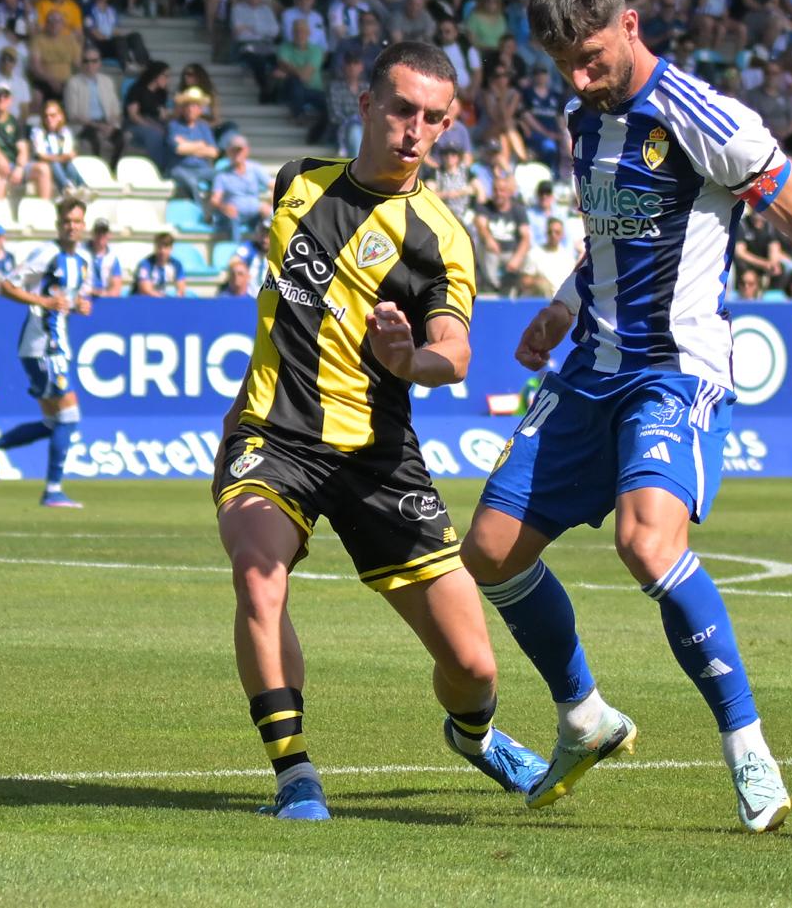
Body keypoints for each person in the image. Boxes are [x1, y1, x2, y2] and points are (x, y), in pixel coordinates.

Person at [457, 0, 792, 833]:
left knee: (644, 539)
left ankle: (746, 746)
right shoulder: (577, 115)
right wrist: (560, 307)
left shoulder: (705, 117)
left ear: (629, 25)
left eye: (591, 55)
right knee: (491, 550)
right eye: (563, 61)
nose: (579, 75)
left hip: (678, 369)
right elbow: (610, 239)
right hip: (588, 369)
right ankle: (585, 717)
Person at [211, 41, 549, 821]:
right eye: (402, 109)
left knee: (473, 665)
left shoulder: (438, 237)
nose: (414, 130)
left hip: (378, 457)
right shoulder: (296, 185)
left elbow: (456, 353)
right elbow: (278, 316)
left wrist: (412, 355)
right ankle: (295, 774)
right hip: (276, 437)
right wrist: (236, 418)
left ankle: (475, 734)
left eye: (433, 118)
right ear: (363, 104)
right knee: (259, 574)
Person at [0, 198, 92, 508]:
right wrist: (43, 302)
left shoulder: (83, 260)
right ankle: (52, 491)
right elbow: (7, 286)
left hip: (57, 345)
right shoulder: (47, 254)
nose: (71, 227)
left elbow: (63, 300)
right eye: (66, 221)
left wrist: (77, 306)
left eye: (76, 222)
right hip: (42, 347)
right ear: (58, 223)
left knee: (53, 423)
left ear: (83, 225)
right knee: (70, 416)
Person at [134, 231, 187, 297]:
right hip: (143, 301)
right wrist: (165, 299)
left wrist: (177, 297)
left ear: (171, 248)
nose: (162, 251)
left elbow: (181, 289)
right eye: (159, 247)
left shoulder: (176, 264)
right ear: (155, 247)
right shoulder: (145, 264)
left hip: (163, 301)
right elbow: (145, 290)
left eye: (166, 247)